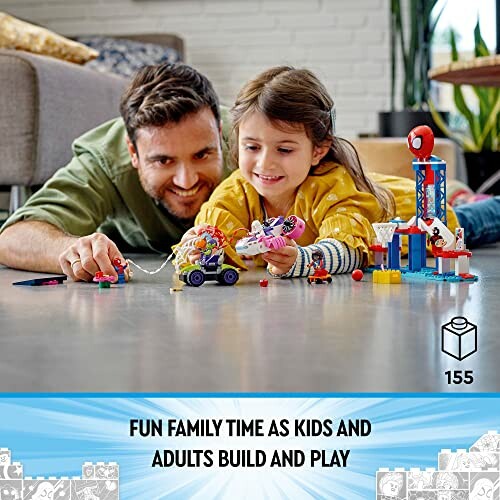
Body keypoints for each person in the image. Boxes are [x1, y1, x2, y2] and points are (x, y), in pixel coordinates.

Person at [182, 65, 500, 278]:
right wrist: (200, 247)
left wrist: (302, 261)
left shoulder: (330, 185)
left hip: (425, 218)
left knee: (481, 217)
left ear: (318, 149)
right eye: (252, 147)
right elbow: (218, 235)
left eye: (284, 149)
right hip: (377, 190)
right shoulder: (235, 188)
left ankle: (464, 199)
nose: (265, 163)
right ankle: (463, 194)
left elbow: (348, 251)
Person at [0, 62, 230, 281]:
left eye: (201, 155)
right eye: (163, 161)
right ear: (132, 151)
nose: (186, 181)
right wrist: (77, 252)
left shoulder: (252, 146)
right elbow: (12, 239)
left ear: (219, 135)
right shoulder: (105, 159)